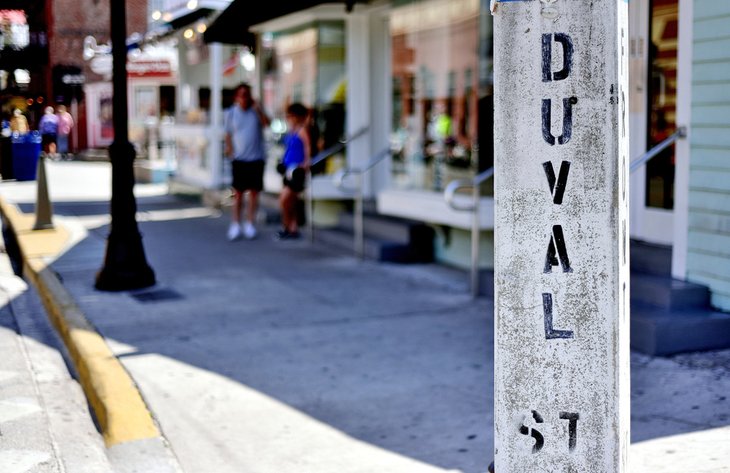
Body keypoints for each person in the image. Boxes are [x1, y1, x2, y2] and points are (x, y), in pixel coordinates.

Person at [223, 83, 270, 240]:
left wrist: (258, 108)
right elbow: (228, 134)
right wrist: (230, 150)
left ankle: (250, 224)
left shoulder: (255, 111)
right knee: (238, 194)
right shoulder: (231, 113)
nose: (244, 97)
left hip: (256, 158)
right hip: (239, 159)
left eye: (247, 94)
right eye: (241, 94)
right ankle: (235, 224)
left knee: (254, 194)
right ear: (237, 97)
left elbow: (267, 124)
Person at [276, 103, 310, 240]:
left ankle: (286, 225)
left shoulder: (302, 130)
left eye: (291, 115)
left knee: (285, 199)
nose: (289, 118)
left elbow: (308, 148)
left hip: (297, 170)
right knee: (291, 201)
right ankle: (292, 227)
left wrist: (306, 163)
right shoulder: (291, 131)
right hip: (288, 169)